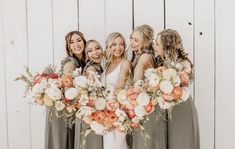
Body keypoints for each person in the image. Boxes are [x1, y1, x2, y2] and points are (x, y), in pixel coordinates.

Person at [155, 29, 200, 149]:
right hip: (167, 110)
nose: (155, 47)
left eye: (158, 44)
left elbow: (184, 81)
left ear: (166, 46)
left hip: (182, 108)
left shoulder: (184, 63)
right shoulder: (161, 64)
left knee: (181, 143)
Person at [45, 31, 86, 149]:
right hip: (61, 111)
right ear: (69, 47)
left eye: (79, 40)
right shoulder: (70, 62)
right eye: (71, 42)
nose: (76, 44)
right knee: (61, 143)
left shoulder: (82, 62)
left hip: (67, 109)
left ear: (83, 42)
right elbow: (68, 84)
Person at [130, 24, 167, 149]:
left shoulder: (144, 57)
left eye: (136, 40)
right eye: (131, 38)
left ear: (146, 42)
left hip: (145, 106)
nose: (132, 43)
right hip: (144, 104)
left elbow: (135, 83)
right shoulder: (140, 56)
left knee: (145, 143)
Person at [101, 32, 132, 149]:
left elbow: (119, 88)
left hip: (118, 113)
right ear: (109, 45)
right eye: (114, 44)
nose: (118, 48)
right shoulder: (107, 64)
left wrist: (110, 108)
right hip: (105, 114)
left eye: (121, 44)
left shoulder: (125, 63)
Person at [77, 39, 104, 149]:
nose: (95, 53)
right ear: (87, 55)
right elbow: (91, 96)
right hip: (91, 116)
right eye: (90, 51)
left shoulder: (100, 67)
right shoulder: (91, 69)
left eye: (97, 48)